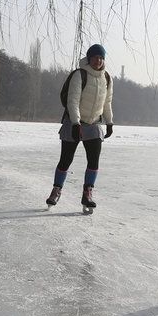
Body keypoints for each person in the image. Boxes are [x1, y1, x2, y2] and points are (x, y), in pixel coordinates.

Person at [46, 44, 114, 211]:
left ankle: (87, 193)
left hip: (94, 124)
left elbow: (107, 102)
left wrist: (109, 122)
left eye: (101, 58)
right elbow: (73, 100)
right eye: (95, 57)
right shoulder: (79, 74)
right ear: (89, 58)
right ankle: (56, 190)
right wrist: (76, 123)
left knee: (93, 161)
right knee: (66, 160)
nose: (98, 60)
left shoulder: (106, 78)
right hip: (74, 123)